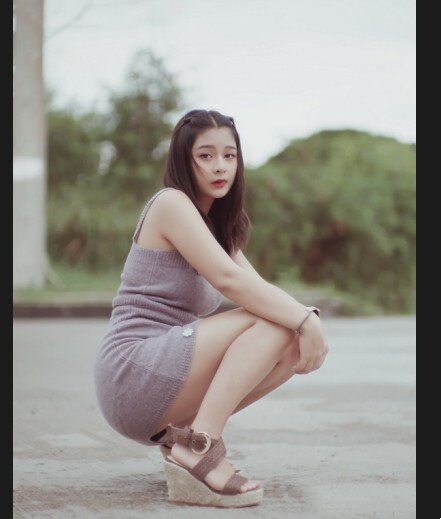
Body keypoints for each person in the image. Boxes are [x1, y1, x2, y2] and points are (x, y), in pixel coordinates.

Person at [94, 108, 329, 507]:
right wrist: (307, 320)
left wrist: (305, 323)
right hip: (132, 369)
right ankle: (200, 447)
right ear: (184, 161)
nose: (220, 166)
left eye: (229, 155)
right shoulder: (170, 204)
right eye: (206, 155)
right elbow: (230, 281)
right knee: (278, 323)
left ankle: (185, 439)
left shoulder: (216, 227)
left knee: (288, 336)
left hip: (162, 383)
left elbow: (256, 288)